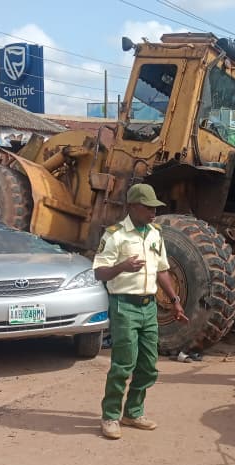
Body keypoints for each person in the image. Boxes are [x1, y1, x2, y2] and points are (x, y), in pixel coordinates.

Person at [92, 184, 187, 439]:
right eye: (148, 207)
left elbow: (162, 270)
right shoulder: (115, 235)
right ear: (132, 206)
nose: (153, 212)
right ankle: (110, 416)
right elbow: (99, 271)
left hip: (149, 306)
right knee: (123, 364)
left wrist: (175, 299)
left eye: (155, 207)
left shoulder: (155, 234)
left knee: (148, 365)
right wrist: (122, 266)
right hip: (124, 305)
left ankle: (133, 412)